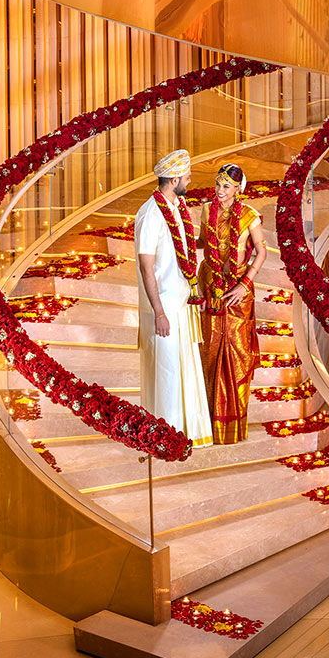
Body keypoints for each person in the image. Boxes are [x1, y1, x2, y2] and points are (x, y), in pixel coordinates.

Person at [134, 150, 212, 445]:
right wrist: (159, 312)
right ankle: (166, 438)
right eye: (187, 177)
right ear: (175, 179)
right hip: (163, 307)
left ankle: (187, 432)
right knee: (166, 373)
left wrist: (194, 288)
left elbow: (186, 253)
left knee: (184, 369)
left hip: (182, 304)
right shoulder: (151, 213)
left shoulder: (178, 206)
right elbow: (146, 265)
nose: (190, 182)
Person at [197, 162, 268, 444]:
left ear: (238, 189)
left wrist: (244, 284)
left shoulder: (250, 216)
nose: (220, 190)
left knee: (238, 355)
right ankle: (207, 424)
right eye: (218, 184)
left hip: (238, 291)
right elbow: (202, 242)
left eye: (226, 186)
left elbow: (261, 252)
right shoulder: (207, 210)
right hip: (210, 287)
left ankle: (233, 425)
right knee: (210, 351)